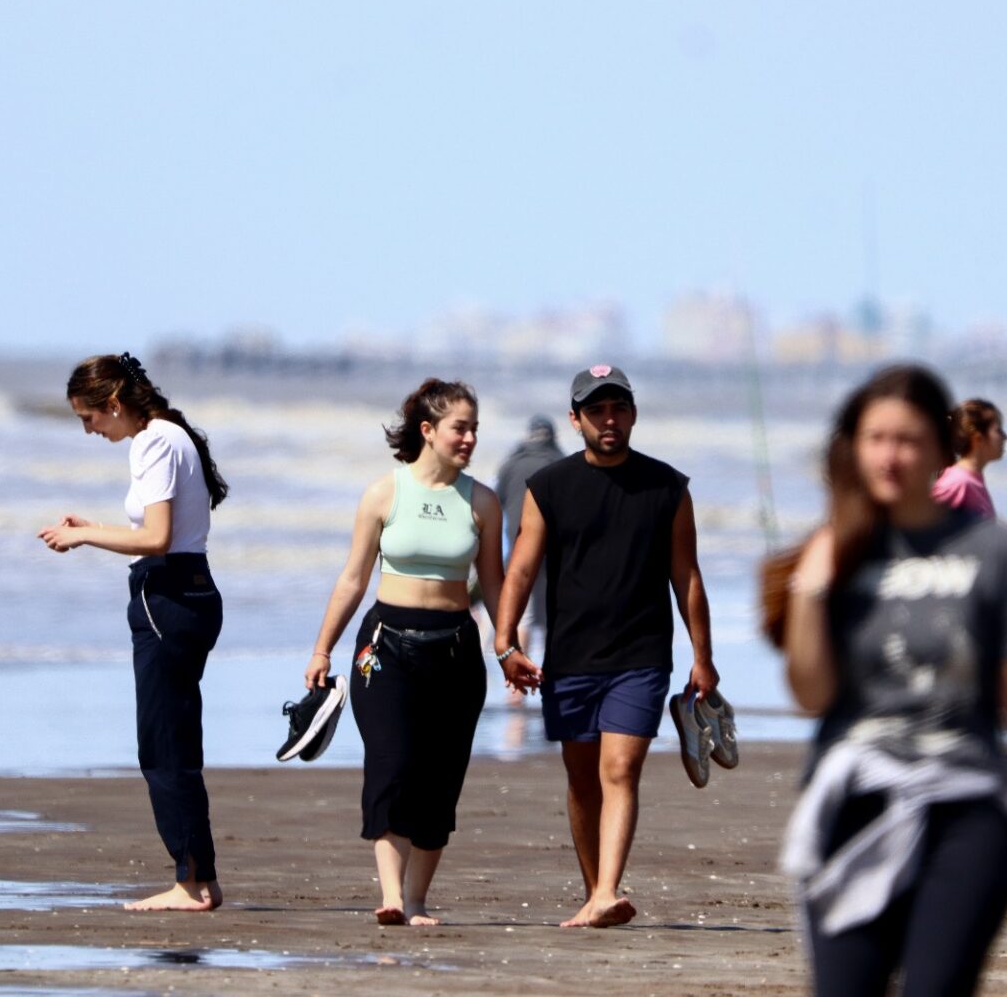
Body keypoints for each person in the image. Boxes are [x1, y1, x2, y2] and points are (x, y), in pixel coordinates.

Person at [769, 363, 1007, 997]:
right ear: (852, 447)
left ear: (938, 446)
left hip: (967, 807)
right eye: (875, 438)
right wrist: (812, 591)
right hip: (853, 807)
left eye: (907, 439)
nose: (890, 455)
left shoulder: (995, 554)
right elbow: (811, 695)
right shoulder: (835, 552)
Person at [493, 363, 719, 928]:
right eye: (596, 410)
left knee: (619, 769)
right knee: (581, 776)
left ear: (634, 414)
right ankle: (595, 889)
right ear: (576, 419)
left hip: (641, 656)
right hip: (570, 657)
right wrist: (505, 642)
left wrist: (702, 657)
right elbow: (520, 569)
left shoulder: (668, 487)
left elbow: (686, 576)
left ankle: (608, 889)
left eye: (618, 408)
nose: (609, 419)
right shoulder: (548, 488)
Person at [301, 378, 504, 926]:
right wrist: (322, 649)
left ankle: (416, 901)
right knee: (391, 765)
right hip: (384, 647)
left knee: (440, 777)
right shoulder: (383, 493)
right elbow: (352, 579)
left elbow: (496, 585)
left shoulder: (482, 501)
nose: (469, 439)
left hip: (456, 651)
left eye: (474, 430)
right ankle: (390, 895)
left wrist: (509, 651)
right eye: (460, 428)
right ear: (428, 430)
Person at [37, 352, 229, 912]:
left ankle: (190, 884)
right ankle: (200, 879)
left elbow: (158, 538)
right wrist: (95, 526)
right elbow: (163, 531)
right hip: (190, 592)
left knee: (163, 746)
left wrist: (85, 538)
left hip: (166, 596)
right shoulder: (170, 434)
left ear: (113, 404)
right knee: (177, 741)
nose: (89, 430)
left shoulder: (153, 441)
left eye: (88, 418)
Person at [494, 414, 563, 662]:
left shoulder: (511, 464)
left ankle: (517, 682)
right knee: (553, 610)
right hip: (554, 549)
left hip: (518, 546)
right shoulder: (560, 462)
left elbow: (496, 502)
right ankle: (551, 669)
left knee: (524, 613)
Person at [931, 398, 1007, 542]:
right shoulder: (958, 482)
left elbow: (971, 532)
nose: (1005, 437)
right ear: (978, 439)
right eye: (998, 430)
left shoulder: (972, 480)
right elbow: (926, 531)